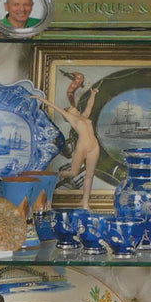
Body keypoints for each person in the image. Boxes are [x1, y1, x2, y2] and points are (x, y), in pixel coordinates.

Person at [37, 71, 101, 209]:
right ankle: (60, 174)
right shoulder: (72, 119)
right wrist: (38, 98)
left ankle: (85, 202)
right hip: (82, 147)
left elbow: (89, 106)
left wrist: (93, 94)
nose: (74, 108)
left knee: (89, 175)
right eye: (72, 109)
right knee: (74, 173)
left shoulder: (84, 116)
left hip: (94, 146)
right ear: (69, 113)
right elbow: (54, 106)